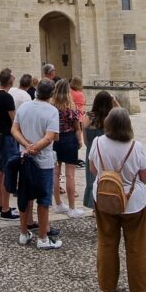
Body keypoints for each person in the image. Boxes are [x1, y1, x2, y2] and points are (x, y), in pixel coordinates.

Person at [90, 107, 146, 292]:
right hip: (133, 202)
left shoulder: (98, 142)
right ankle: (140, 290)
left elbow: (93, 169)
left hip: (105, 199)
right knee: (136, 248)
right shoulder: (136, 146)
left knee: (106, 242)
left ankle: (107, 286)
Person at [11, 78, 63, 250]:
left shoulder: (24, 107)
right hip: (43, 161)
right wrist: (33, 147)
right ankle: (42, 237)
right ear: (51, 94)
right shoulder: (52, 111)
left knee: (25, 196)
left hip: (25, 157)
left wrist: (26, 146)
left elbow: (14, 129)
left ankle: (24, 233)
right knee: (43, 199)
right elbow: (50, 137)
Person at [50, 79, 85, 218]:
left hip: (55, 139)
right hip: (69, 139)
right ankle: (72, 207)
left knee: (55, 174)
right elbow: (77, 127)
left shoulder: (51, 106)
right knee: (70, 175)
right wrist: (80, 140)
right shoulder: (71, 106)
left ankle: (58, 204)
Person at [0, 68, 19, 220]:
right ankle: (6, 209)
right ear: (10, 81)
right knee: (8, 171)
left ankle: (1, 204)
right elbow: (14, 119)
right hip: (7, 136)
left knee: (1, 171)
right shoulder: (7, 97)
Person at [83, 91, 119, 210]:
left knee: (92, 179)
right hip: (109, 152)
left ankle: (94, 206)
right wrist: (114, 101)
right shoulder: (111, 116)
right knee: (109, 179)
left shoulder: (88, 117)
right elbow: (123, 115)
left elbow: (85, 140)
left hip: (93, 152)